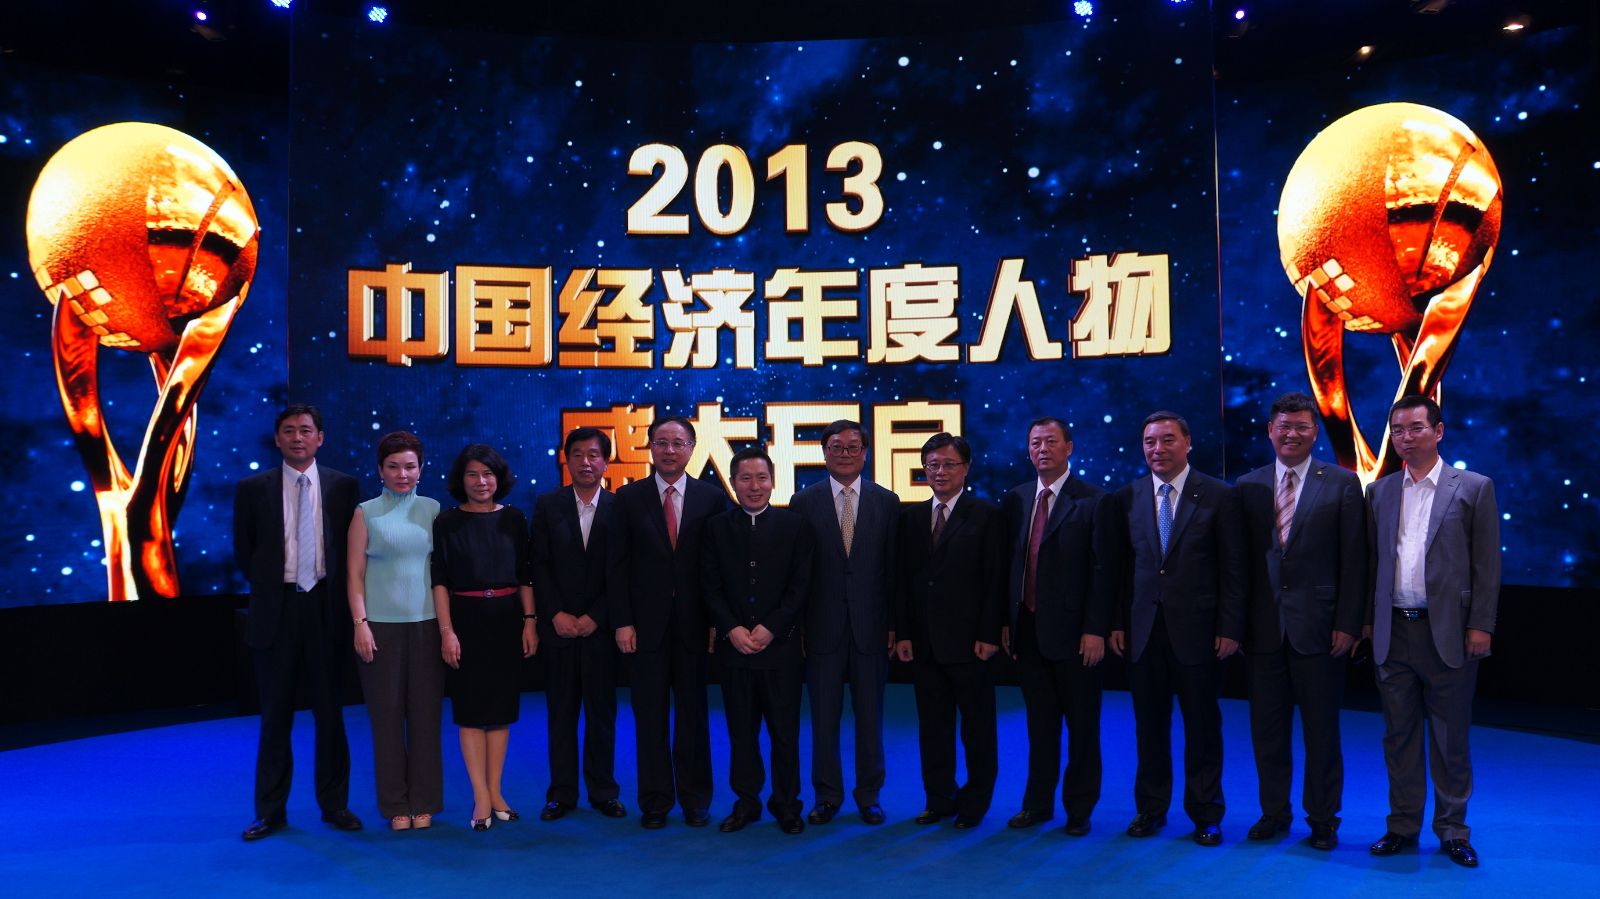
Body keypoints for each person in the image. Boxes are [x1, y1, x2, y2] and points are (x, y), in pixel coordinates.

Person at [1365, 395, 1499, 868]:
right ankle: (1402, 826)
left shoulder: (1474, 487)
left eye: (1416, 428)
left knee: (1449, 738)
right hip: (1393, 632)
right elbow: (1372, 563)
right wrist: (1367, 622)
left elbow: (1487, 565)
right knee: (1398, 736)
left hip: (1449, 633)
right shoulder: (1379, 492)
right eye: (1398, 430)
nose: (1406, 437)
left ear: (1438, 432)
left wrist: (1480, 624)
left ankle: (1453, 831)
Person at [1107, 411, 1245, 846]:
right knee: (1149, 727)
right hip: (1143, 631)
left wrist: (1230, 626)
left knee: (1202, 727)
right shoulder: (1126, 497)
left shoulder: (1219, 495)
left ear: (1188, 443)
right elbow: (1119, 570)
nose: (1158, 449)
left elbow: (1234, 568)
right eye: (1150, 441)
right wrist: (1116, 623)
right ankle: (1150, 809)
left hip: (1200, 632)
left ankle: (1206, 813)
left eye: (1168, 440)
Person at [1235, 392, 1365, 850]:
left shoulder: (1343, 483)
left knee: (1322, 732)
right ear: (1270, 430)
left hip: (1322, 629)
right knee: (1266, 732)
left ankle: (1323, 819)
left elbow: (1355, 560)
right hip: (1263, 631)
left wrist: (1349, 623)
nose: (1291, 434)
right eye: (1284, 426)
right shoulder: (1247, 485)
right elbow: (1239, 565)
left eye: (1301, 427)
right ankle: (1273, 812)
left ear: (1315, 433)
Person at [233, 404, 363, 841]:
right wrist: (276, 586)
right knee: (275, 717)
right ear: (277, 439)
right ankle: (270, 811)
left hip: (327, 608)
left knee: (331, 714)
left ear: (320, 438)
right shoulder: (252, 489)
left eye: (306, 430)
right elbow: (244, 552)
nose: (297, 437)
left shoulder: (344, 486)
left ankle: (335, 805)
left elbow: (352, 551)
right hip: (277, 610)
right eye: (288, 430)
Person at [612, 415, 731, 829]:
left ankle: (696, 799)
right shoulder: (629, 498)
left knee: (693, 714)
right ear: (650, 448)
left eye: (678, 443)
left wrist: (718, 622)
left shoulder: (711, 498)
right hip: (644, 627)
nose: (669, 450)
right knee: (650, 715)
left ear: (691, 449)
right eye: (661, 442)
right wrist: (622, 621)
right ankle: (656, 801)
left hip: (695, 626)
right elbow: (617, 565)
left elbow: (719, 568)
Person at [1000, 417, 1112, 837]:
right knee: (1039, 727)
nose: (1042, 449)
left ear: (1069, 447)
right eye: (1035, 443)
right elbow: (1009, 566)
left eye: (1051, 441)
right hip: (1029, 632)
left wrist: (1096, 629)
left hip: (1078, 637)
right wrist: (1007, 622)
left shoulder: (1094, 500)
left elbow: (1103, 571)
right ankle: (1037, 805)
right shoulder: (1016, 499)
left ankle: (1079, 808)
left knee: (1083, 728)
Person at [788, 419, 897, 826]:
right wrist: (799, 626)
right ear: (824, 453)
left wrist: (894, 625)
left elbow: (893, 570)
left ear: (865, 453)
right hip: (822, 629)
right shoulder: (803, 502)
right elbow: (798, 572)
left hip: (871, 628)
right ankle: (827, 796)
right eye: (836, 447)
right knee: (823, 719)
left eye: (853, 447)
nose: (845, 454)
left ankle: (870, 796)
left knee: (870, 719)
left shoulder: (887, 501)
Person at [893, 433, 1004, 830]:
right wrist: (904, 633)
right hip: (924, 645)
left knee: (977, 730)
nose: (940, 472)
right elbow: (902, 581)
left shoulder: (987, 515)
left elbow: (995, 580)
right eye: (933, 465)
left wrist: (989, 634)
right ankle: (939, 800)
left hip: (972, 644)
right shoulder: (911, 518)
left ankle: (974, 803)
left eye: (948, 464)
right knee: (933, 729)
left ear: (966, 468)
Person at [702, 447, 814, 834]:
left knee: (785, 734)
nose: (754, 486)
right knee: (741, 734)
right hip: (734, 651)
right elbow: (710, 587)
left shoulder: (795, 526)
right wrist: (731, 628)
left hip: (781, 650)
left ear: (773, 481)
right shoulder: (716, 528)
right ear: (733, 483)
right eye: (745, 478)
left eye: (761, 478)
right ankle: (746, 803)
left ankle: (787, 804)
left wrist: (772, 628)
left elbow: (801, 586)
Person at [432, 444, 537, 832]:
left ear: (499, 478)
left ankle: (496, 792)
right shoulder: (447, 522)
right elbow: (440, 582)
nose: (481, 481)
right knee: (472, 713)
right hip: (465, 621)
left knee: (501, 712)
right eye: (473, 474)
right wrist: (447, 632)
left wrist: (530, 621)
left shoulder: (514, 518)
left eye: (488, 474)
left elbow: (525, 575)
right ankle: (479, 795)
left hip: (507, 620)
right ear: (461, 480)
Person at [347, 431, 445, 831]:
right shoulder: (365, 513)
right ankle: (394, 806)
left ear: (421, 469)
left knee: (426, 718)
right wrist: (361, 624)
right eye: (393, 467)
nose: (402, 474)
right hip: (379, 631)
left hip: (427, 628)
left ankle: (424, 802)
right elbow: (354, 575)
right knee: (385, 720)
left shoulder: (434, 510)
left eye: (410, 466)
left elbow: (443, 574)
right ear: (380, 470)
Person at [529, 427, 627, 822]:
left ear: (606, 461)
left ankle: (604, 792)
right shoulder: (547, 505)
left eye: (594, 455)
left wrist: (597, 616)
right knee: (561, 714)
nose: (586, 462)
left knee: (602, 714)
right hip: (559, 629)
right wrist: (555, 613)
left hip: (601, 630)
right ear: (566, 460)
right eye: (578, 455)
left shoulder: (621, 507)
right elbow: (539, 565)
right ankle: (562, 794)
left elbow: (623, 570)